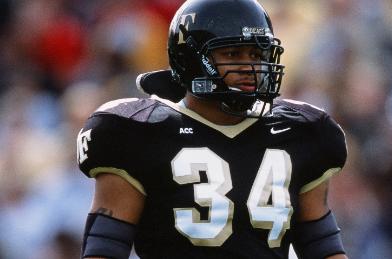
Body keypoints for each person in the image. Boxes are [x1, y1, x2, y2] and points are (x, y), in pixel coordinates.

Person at [76, 0, 348, 258]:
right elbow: (106, 248)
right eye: (232, 53)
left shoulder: (302, 133)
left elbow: (322, 246)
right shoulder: (140, 130)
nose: (249, 66)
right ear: (190, 58)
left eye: (256, 54)